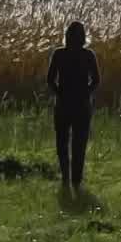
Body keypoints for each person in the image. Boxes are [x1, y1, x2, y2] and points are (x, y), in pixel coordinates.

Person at [46, 21, 100, 191]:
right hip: (82, 106)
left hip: (63, 105)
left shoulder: (59, 54)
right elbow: (96, 80)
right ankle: (76, 180)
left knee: (62, 143)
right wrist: (86, 93)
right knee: (79, 144)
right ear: (83, 37)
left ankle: (66, 177)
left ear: (67, 36)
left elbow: (50, 80)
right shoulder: (88, 55)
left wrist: (60, 94)